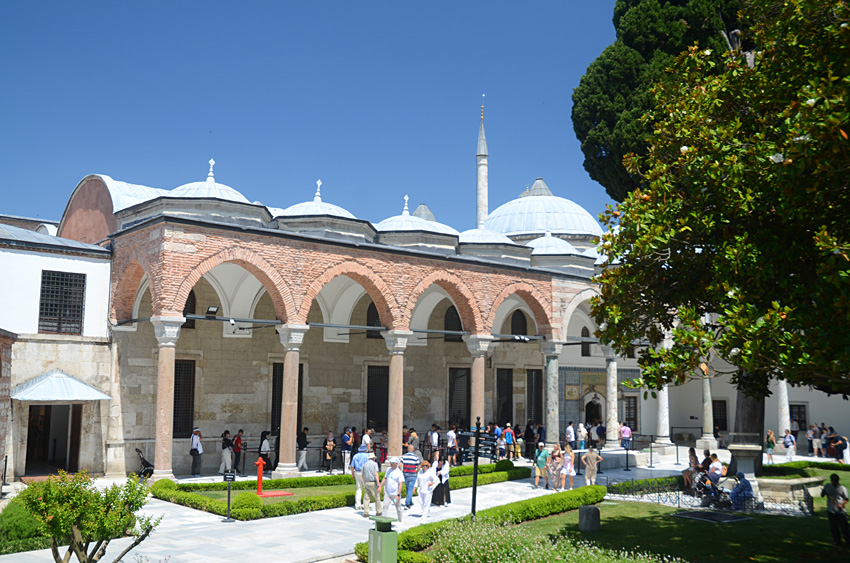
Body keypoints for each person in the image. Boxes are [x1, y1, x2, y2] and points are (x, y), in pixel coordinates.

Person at [821, 473, 850, 546]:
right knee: (834, 527)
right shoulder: (827, 486)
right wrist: (824, 492)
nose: (834, 482)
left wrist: (842, 504)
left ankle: (848, 541)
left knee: (844, 527)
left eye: (836, 481)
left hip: (840, 511)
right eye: (833, 481)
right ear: (831, 480)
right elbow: (822, 495)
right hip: (830, 510)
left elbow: (846, 498)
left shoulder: (842, 488)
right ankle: (837, 542)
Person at [380, 457, 405, 522]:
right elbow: (385, 478)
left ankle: (400, 520)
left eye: (392, 463)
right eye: (390, 463)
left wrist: (398, 495)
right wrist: (380, 486)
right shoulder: (388, 469)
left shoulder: (399, 473)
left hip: (395, 494)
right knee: (385, 506)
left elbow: (400, 484)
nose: (391, 464)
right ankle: (383, 520)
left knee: (398, 507)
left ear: (396, 463)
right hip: (388, 493)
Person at [361, 452, 382, 518]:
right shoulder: (374, 464)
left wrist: (364, 482)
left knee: (367, 498)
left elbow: (362, 475)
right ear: (373, 458)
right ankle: (379, 511)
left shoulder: (364, 465)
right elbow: (376, 474)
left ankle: (366, 512)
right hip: (373, 482)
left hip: (367, 482)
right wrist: (378, 483)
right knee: (377, 497)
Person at [401, 444, 420, 509]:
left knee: (408, 488)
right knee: (410, 489)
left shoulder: (403, 456)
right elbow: (419, 466)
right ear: (413, 450)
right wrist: (417, 471)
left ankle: (410, 501)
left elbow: (400, 464)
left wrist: (402, 471)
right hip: (412, 474)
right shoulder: (415, 457)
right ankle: (407, 502)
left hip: (405, 474)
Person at [350, 444, 369, 511]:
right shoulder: (367, 456)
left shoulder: (355, 456)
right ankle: (365, 504)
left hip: (357, 472)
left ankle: (357, 505)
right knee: (366, 489)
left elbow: (352, 466)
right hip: (364, 473)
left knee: (358, 489)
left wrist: (352, 473)